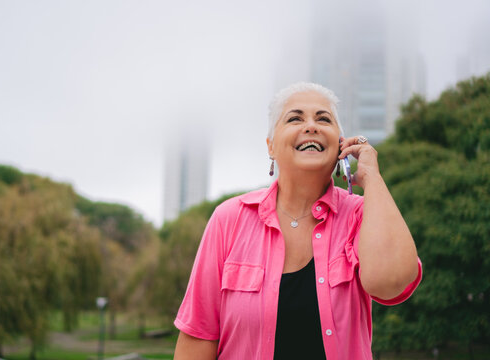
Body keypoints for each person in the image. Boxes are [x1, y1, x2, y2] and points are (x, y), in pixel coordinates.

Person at [173, 82, 422, 360]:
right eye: (295, 118)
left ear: (341, 145)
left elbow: (390, 282)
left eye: (323, 119)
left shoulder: (361, 214)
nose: (311, 126)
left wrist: (372, 178)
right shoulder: (229, 218)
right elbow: (198, 336)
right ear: (271, 146)